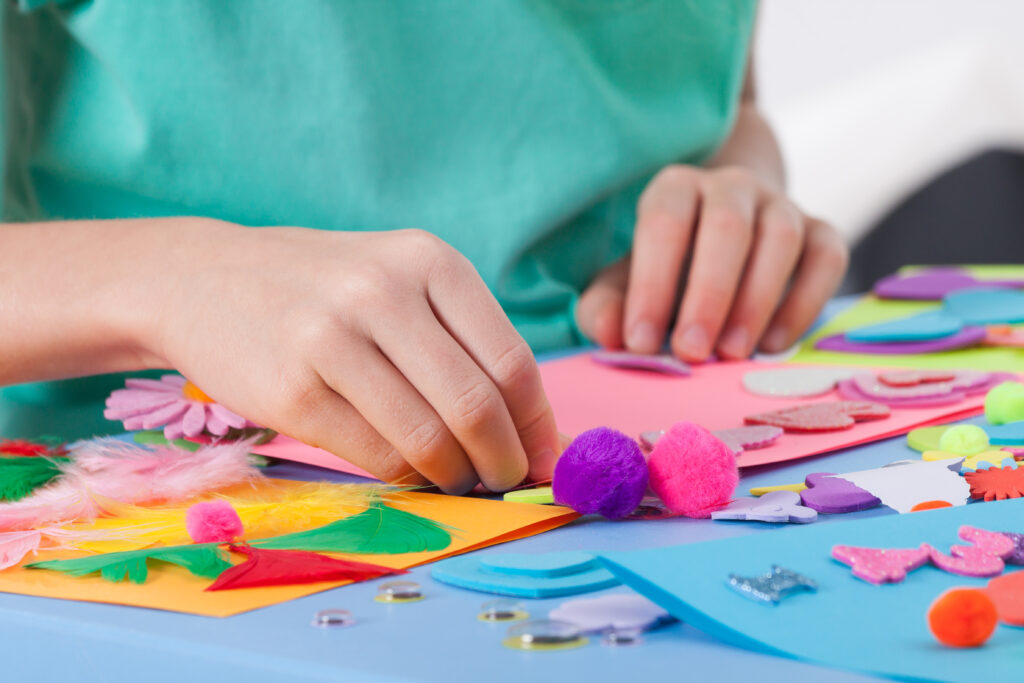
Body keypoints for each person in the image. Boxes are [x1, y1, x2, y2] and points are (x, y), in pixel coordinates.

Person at [0, 1, 847, 493]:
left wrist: (741, 177)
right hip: (188, 500)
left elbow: (718, 95)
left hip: (691, 428)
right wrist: (175, 281)